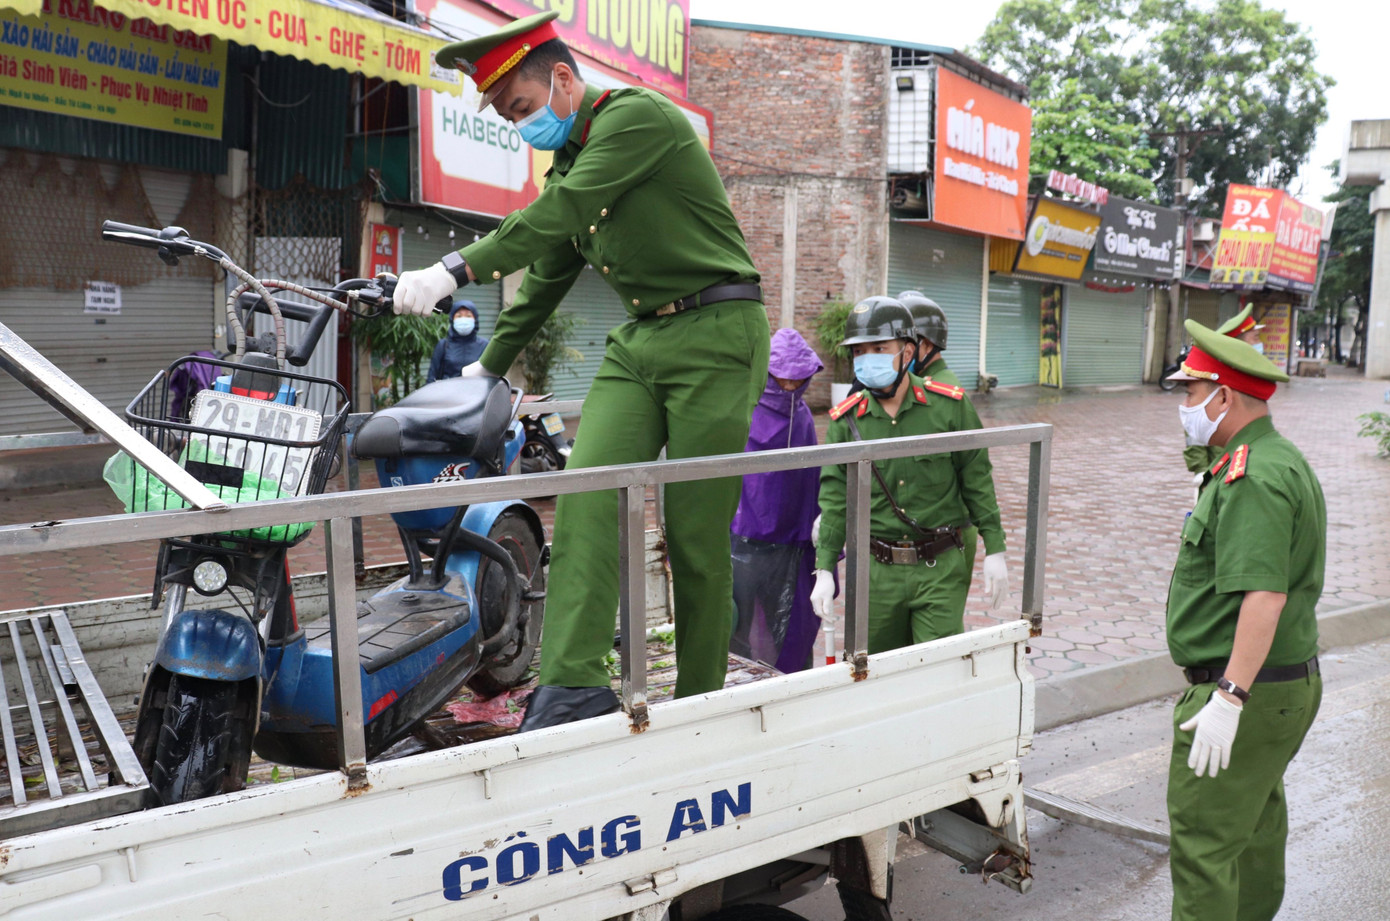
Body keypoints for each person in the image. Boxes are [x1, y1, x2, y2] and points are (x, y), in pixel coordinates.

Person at [392, 11, 770, 730]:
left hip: (718, 331)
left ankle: (700, 704)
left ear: (564, 79)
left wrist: (453, 268)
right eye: (509, 117)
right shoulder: (573, 162)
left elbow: (557, 212)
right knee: (588, 497)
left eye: (523, 108)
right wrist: (486, 371)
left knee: (693, 533)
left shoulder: (637, 120)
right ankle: (572, 685)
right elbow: (544, 278)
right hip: (641, 341)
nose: (520, 125)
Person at [1163, 318, 1324, 921]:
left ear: (1223, 396)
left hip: (1245, 690)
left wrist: (1228, 698)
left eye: (1190, 391)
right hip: (1278, 687)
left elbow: (1264, 596)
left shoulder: (1252, 473)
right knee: (1253, 839)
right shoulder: (1273, 459)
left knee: (1205, 852)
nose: (1184, 405)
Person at [809, 297, 1009, 654]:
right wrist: (825, 568)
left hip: (939, 568)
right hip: (875, 573)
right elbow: (836, 499)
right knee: (876, 674)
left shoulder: (949, 405)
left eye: (880, 348)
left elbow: (976, 478)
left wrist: (995, 547)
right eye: (859, 352)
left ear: (908, 351)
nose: (867, 358)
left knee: (938, 671)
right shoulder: (846, 420)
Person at [729, 328, 824, 672]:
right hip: (743, 541)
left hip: (791, 546)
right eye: (781, 379)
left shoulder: (803, 417)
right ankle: (734, 681)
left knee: (792, 624)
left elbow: (811, 478)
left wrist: (816, 523)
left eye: (796, 380)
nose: (788, 387)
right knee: (735, 621)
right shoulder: (744, 410)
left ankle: (792, 684)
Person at [1183, 305, 1265, 479]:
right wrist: (1201, 472)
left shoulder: (1247, 380)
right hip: (1218, 473)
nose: (1259, 344)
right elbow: (1194, 429)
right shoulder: (1214, 381)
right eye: (1255, 338)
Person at [426, 300, 487, 383]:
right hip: (448, 394)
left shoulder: (485, 345)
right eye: (459, 316)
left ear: (475, 319)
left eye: (468, 316)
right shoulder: (443, 345)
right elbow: (432, 377)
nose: (464, 320)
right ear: (452, 319)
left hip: (477, 394)